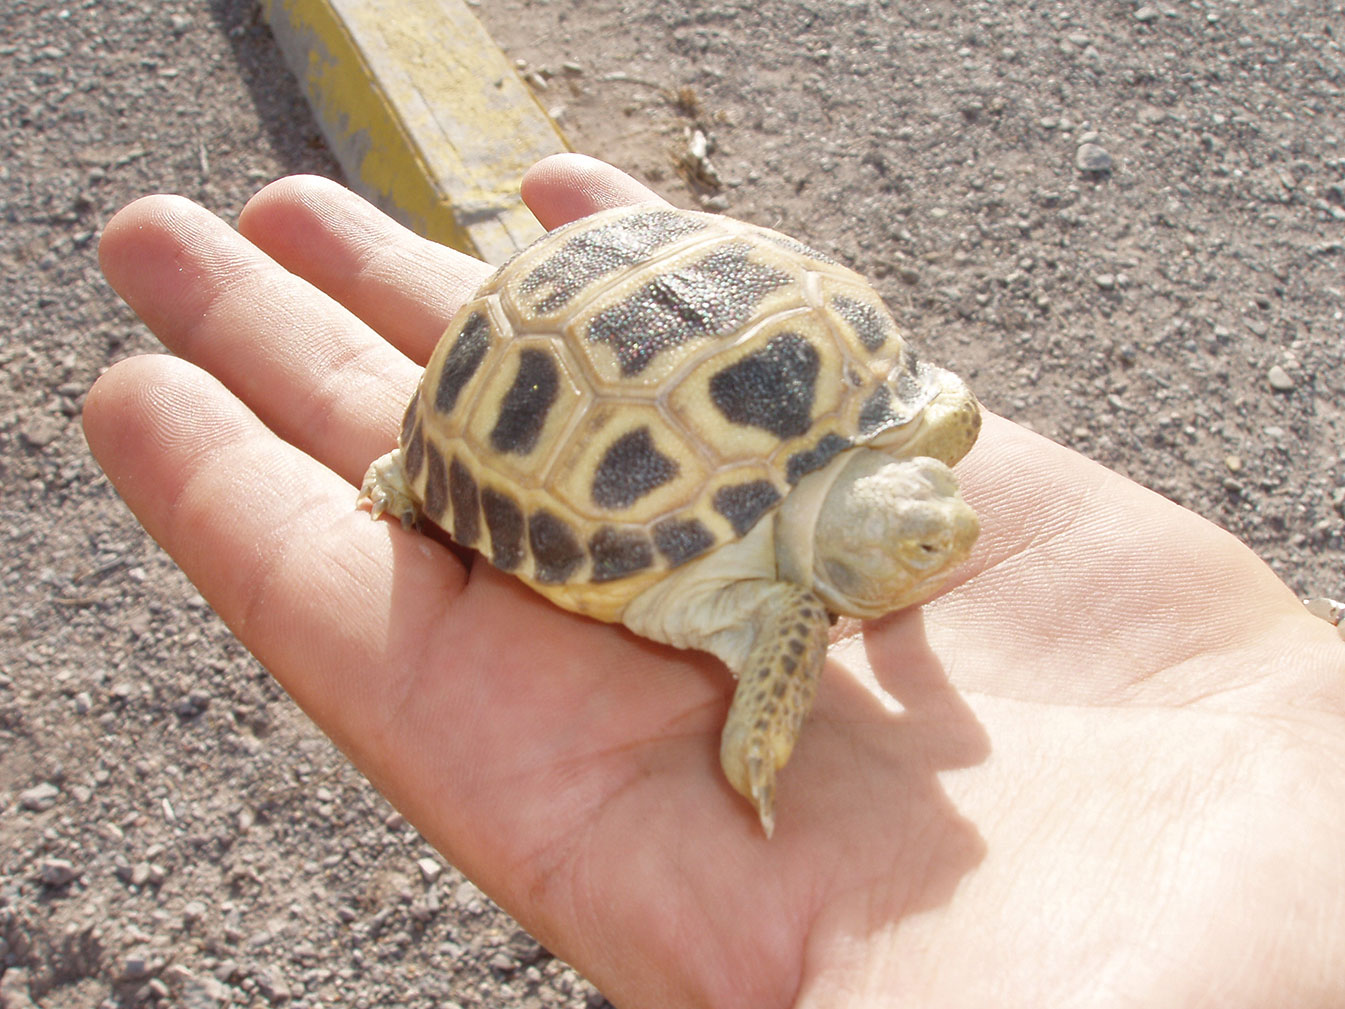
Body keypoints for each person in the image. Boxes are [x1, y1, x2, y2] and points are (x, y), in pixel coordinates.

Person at [84, 154, 1345, 1008]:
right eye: (915, 550)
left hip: (724, 343)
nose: (949, 544)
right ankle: (429, 471)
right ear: (843, 558)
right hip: (583, 383)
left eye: (932, 533)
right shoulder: (768, 599)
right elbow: (794, 634)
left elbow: (936, 433)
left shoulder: (900, 441)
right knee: (470, 500)